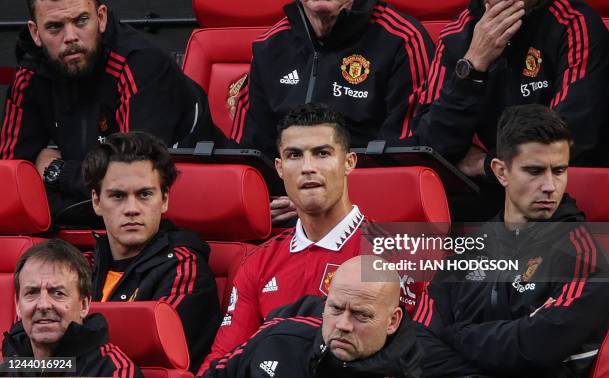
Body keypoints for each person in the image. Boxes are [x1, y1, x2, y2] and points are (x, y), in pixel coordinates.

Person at [198, 103, 419, 374]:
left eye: (322, 153)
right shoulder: (257, 262)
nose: (307, 167)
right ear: (279, 167)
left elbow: (412, 359)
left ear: (349, 162)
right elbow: (223, 358)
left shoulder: (401, 253)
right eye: (294, 155)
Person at [413, 104, 609, 377]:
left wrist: (457, 335)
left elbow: (535, 345)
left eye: (559, 171)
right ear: (501, 172)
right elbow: (418, 341)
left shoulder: (584, 257)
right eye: (534, 171)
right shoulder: (467, 250)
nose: (550, 186)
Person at [0, 0, 224, 220]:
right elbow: (8, 189)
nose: (70, 37)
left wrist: (56, 173)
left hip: (180, 223)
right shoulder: (31, 73)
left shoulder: (140, 65)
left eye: (81, 20)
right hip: (81, 230)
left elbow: (130, 191)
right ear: (35, 32)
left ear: (101, 18)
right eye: (54, 27)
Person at [412, 0, 609, 177]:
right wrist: (474, 63)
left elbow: (565, 141)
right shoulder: (455, 34)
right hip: (478, 195)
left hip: (554, 193)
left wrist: (488, 165)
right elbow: (429, 147)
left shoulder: (575, 24)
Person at [81, 131, 221, 373]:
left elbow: (152, 344)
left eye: (144, 194)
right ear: (96, 201)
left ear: (164, 199)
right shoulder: (81, 265)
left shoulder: (184, 267)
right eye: (117, 196)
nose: (132, 209)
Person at [229, 0, 434, 158]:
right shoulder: (269, 46)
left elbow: (404, 154)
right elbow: (248, 154)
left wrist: (320, 195)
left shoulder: (403, 40)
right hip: (283, 201)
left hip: (366, 201)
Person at [203, 255, 422, 378]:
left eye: (361, 315)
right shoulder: (281, 337)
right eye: (335, 309)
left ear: (392, 321)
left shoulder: (407, 369)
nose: (343, 324)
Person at [2, 239, 142, 378]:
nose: (43, 305)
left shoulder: (111, 370)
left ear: (84, 305)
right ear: (18, 305)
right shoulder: (11, 366)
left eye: (58, 293)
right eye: (31, 293)